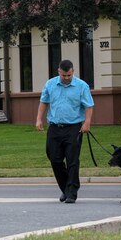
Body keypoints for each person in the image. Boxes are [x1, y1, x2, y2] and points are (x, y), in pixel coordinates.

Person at [36, 59, 94, 204]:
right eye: (64, 76)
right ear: (59, 72)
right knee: (54, 159)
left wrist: (87, 122)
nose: (66, 78)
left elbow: (89, 105)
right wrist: (39, 119)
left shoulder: (81, 86)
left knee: (72, 160)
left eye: (69, 75)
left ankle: (72, 193)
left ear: (72, 72)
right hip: (55, 127)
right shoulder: (50, 84)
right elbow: (44, 102)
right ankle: (66, 188)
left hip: (74, 128)